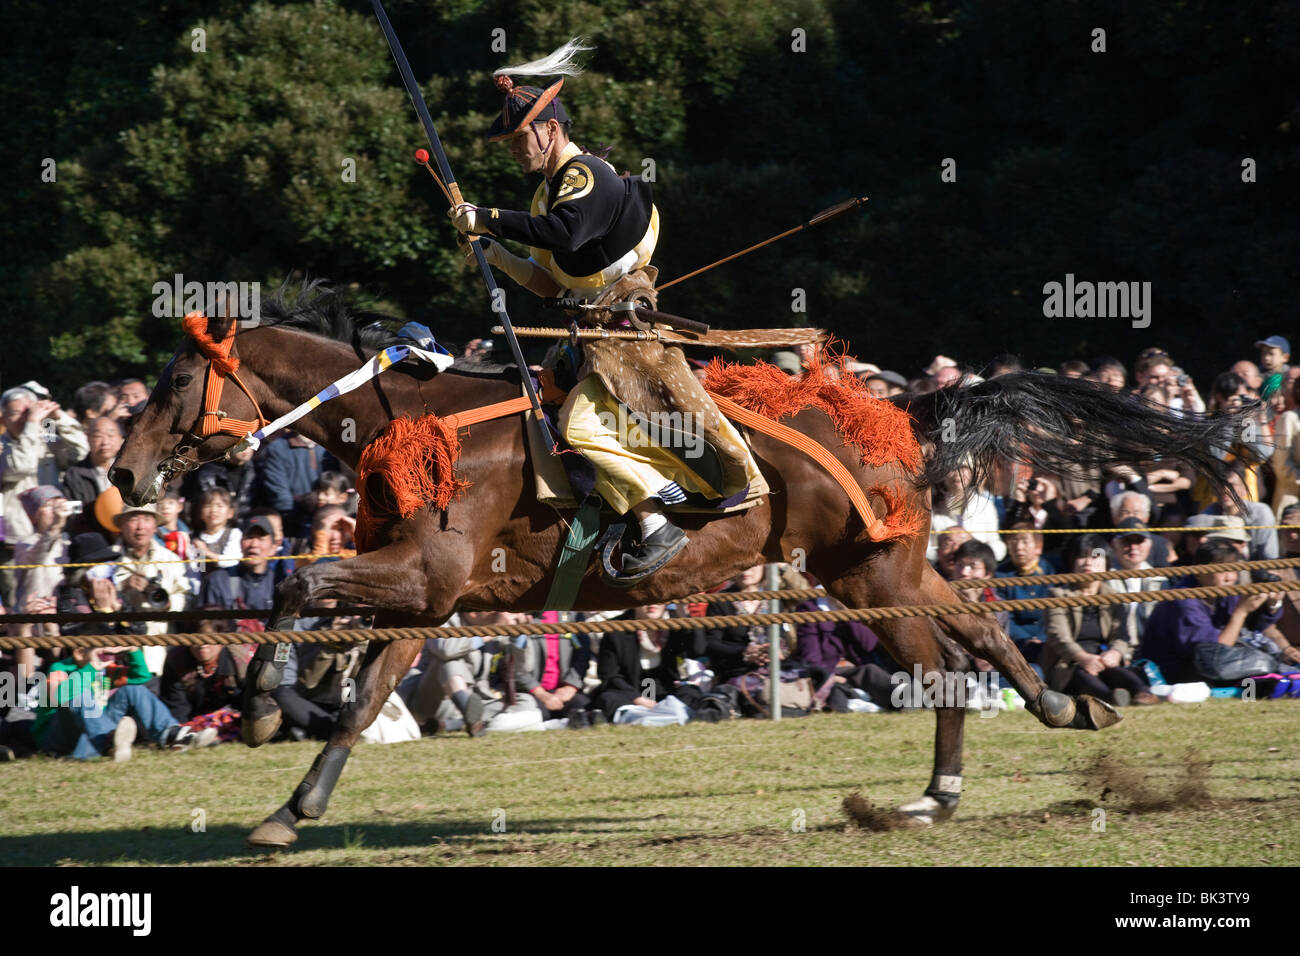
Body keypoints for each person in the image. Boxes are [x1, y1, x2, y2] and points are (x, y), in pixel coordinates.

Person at [1141, 541, 1290, 684]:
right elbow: (1214, 655)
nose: (1229, 577)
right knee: (1259, 666)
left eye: (1233, 569)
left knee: (1268, 657)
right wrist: (1241, 612)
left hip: (1208, 665)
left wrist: (1272, 604)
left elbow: (1254, 628)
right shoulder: (1183, 600)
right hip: (1173, 671)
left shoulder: (1224, 592)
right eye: (1222, 570)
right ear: (1199, 571)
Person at [32, 645, 216, 760]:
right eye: (103, 652)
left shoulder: (104, 671)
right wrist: (90, 669)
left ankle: (173, 735)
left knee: (131, 689)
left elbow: (140, 677)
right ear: (80, 653)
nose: (108, 658)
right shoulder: (61, 668)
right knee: (79, 695)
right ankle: (110, 742)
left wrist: (132, 649)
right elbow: (59, 695)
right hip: (57, 739)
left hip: (92, 732)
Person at [1042, 535, 1160, 706]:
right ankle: (1110, 699)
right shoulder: (1057, 595)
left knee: (1122, 674)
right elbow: (1058, 637)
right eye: (1082, 556)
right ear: (1072, 562)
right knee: (1084, 677)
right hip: (1070, 663)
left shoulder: (1113, 597)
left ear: (1106, 564)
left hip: (1103, 659)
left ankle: (1142, 693)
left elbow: (1122, 635)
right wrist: (1084, 658)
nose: (1088, 563)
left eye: (1095, 557)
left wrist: (1115, 653)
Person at [594, 604, 703, 721]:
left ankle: (662, 716)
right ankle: (650, 717)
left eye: (658, 600)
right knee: (608, 698)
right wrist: (639, 700)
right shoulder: (617, 627)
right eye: (647, 599)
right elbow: (608, 674)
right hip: (629, 691)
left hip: (663, 690)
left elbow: (697, 649)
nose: (652, 604)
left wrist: (684, 616)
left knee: (690, 692)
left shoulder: (673, 622)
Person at [198, 515, 278, 612]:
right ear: (240, 543)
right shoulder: (217, 581)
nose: (254, 544)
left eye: (261, 539)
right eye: (249, 537)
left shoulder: (279, 583)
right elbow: (208, 625)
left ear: (273, 548)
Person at [60, 416, 124, 529]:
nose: (105, 442)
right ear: (88, 439)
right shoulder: (75, 474)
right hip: (92, 532)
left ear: (120, 439)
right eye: (98, 436)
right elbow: (72, 511)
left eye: (111, 436)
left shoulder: (129, 470)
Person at [191, 486, 243, 570]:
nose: (213, 510)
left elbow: (232, 562)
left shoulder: (234, 534)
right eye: (208, 506)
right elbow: (198, 569)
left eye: (219, 506)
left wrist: (206, 553)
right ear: (200, 513)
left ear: (230, 513)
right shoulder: (196, 539)